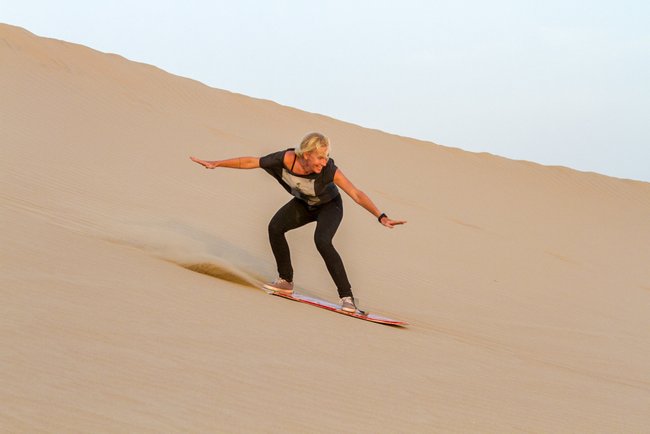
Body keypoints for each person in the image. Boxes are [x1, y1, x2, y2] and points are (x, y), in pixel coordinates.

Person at [190, 132, 406, 312]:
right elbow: (251, 161)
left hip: (330, 206)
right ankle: (285, 281)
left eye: (326, 156)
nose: (325, 161)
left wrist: (381, 216)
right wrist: (217, 163)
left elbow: (356, 193)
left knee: (322, 241)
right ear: (307, 154)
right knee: (275, 228)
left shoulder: (329, 169)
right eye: (320, 157)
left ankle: (347, 298)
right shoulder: (284, 159)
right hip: (304, 204)